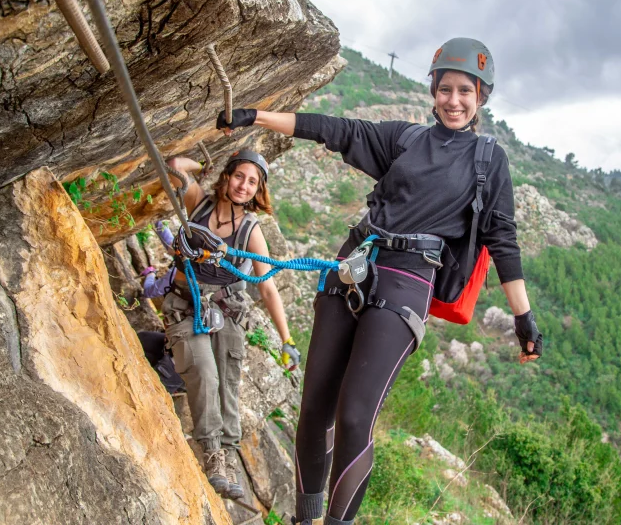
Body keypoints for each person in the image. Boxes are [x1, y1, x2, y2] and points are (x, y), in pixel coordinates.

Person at [218, 38, 543, 525]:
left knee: (353, 419)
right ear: (433, 90)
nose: (453, 101)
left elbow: (503, 239)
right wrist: (255, 116)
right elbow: (336, 130)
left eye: (465, 92)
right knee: (314, 412)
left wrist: (524, 317)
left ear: (481, 98)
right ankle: (303, 519)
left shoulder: (488, 160)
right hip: (354, 264)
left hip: (408, 281)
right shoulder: (407, 139)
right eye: (445, 89)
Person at [162, 150, 300, 500]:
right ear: (227, 177)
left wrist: (287, 340)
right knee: (204, 373)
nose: (244, 185)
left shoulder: (250, 231)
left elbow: (267, 286)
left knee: (228, 383)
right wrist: (206, 167)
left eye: (252, 182)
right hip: (185, 305)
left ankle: (227, 458)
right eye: (239, 176)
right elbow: (175, 166)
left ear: (258, 191)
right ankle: (211, 454)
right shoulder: (198, 204)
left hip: (227, 310)